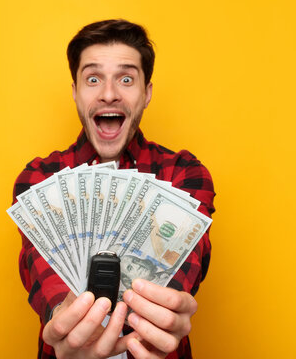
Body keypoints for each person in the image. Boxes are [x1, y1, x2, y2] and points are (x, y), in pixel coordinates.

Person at [13, 19, 215, 359]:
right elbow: (43, 275)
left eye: (126, 78)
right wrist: (62, 319)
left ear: (147, 93)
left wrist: (163, 319)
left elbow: (183, 267)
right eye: (93, 79)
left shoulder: (184, 174)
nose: (109, 93)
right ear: (75, 91)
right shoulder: (40, 178)